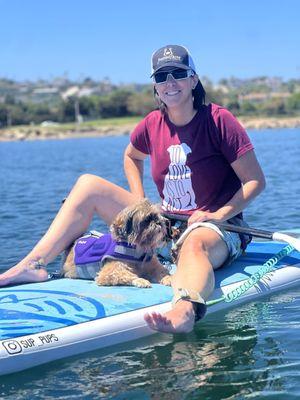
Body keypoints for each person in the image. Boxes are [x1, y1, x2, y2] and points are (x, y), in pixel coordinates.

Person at [0, 44, 265, 334]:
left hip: (219, 227)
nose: (170, 82)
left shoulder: (218, 120)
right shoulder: (151, 124)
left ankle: (186, 309)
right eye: (162, 76)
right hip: (167, 225)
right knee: (88, 184)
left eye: (178, 73)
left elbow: (254, 181)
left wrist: (219, 214)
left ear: (193, 80)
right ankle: (33, 264)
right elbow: (131, 156)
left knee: (193, 243)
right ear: (155, 85)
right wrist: (140, 201)